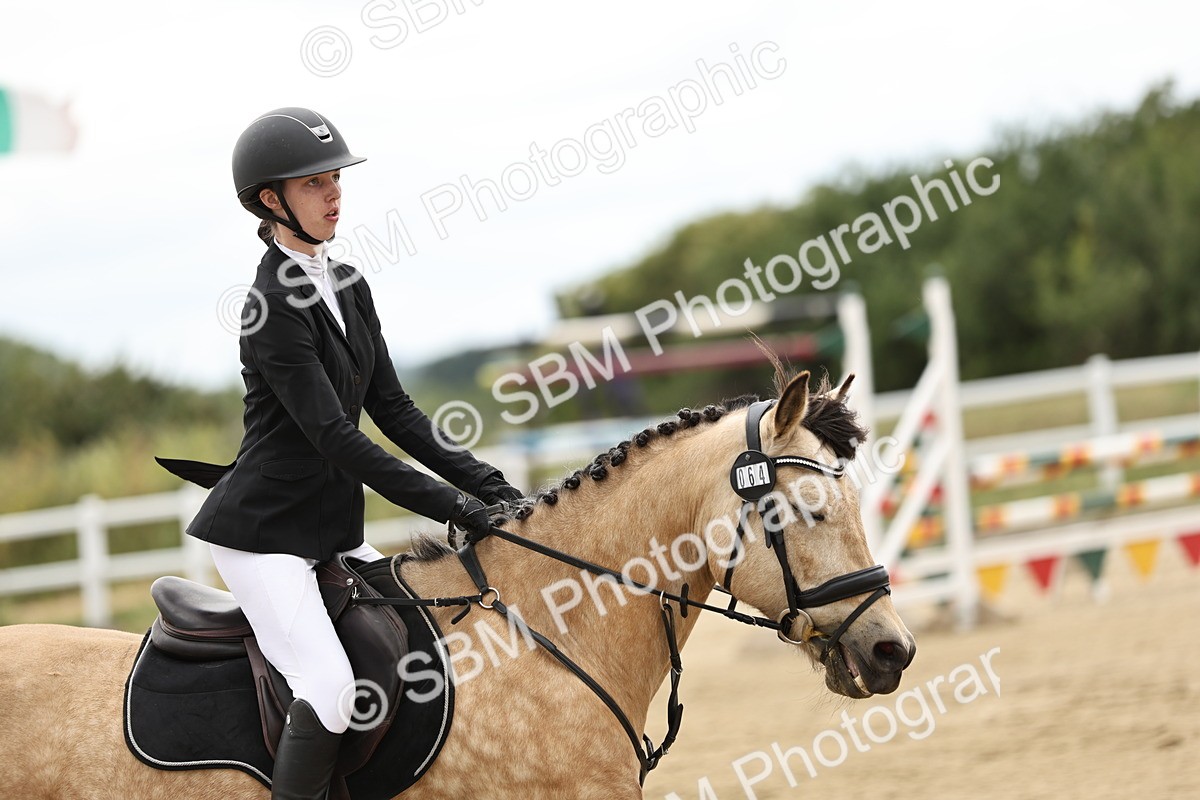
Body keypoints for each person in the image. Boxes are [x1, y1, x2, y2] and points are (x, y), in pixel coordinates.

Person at [160, 107, 523, 800]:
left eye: (335, 179)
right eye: (314, 184)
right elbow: (336, 438)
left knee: (422, 638)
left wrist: (496, 491)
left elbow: (395, 412)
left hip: (330, 532)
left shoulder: (350, 284)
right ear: (271, 201)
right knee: (329, 691)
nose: (334, 195)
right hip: (266, 536)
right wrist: (456, 507)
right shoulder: (268, 307)